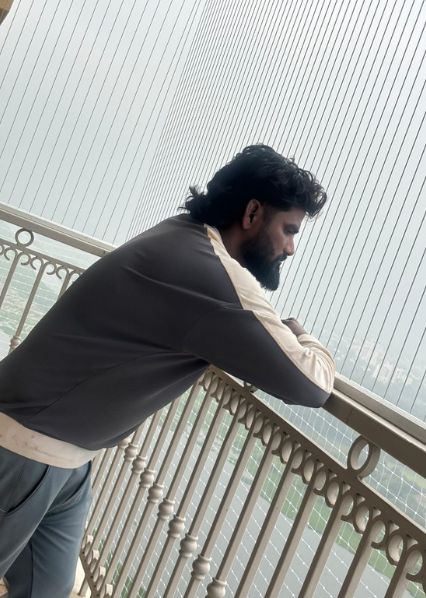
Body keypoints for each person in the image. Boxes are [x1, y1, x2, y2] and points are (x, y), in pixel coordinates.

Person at [0, 144, 335, 597]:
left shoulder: (183, 235)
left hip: (65, 456)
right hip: (23, 447)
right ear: (253, 213)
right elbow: (311, 384)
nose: (291, 248)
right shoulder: (207, 271)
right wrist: (306, 338)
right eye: (289, 230)